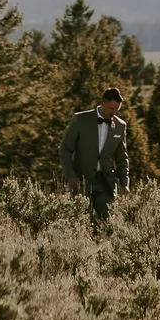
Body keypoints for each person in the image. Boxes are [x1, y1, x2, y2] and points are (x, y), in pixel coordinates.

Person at [60, 86, 130, 222]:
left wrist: (124, 182)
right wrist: (71, 176)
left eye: (117, 109)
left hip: (106, 182)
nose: (114, 113)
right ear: (102, 102)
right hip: (82, 180)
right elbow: (65, 149)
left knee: (108, 222)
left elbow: (122, 158)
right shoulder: (80, 120)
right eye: (112, 108)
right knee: (81, 220)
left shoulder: (120, 126)